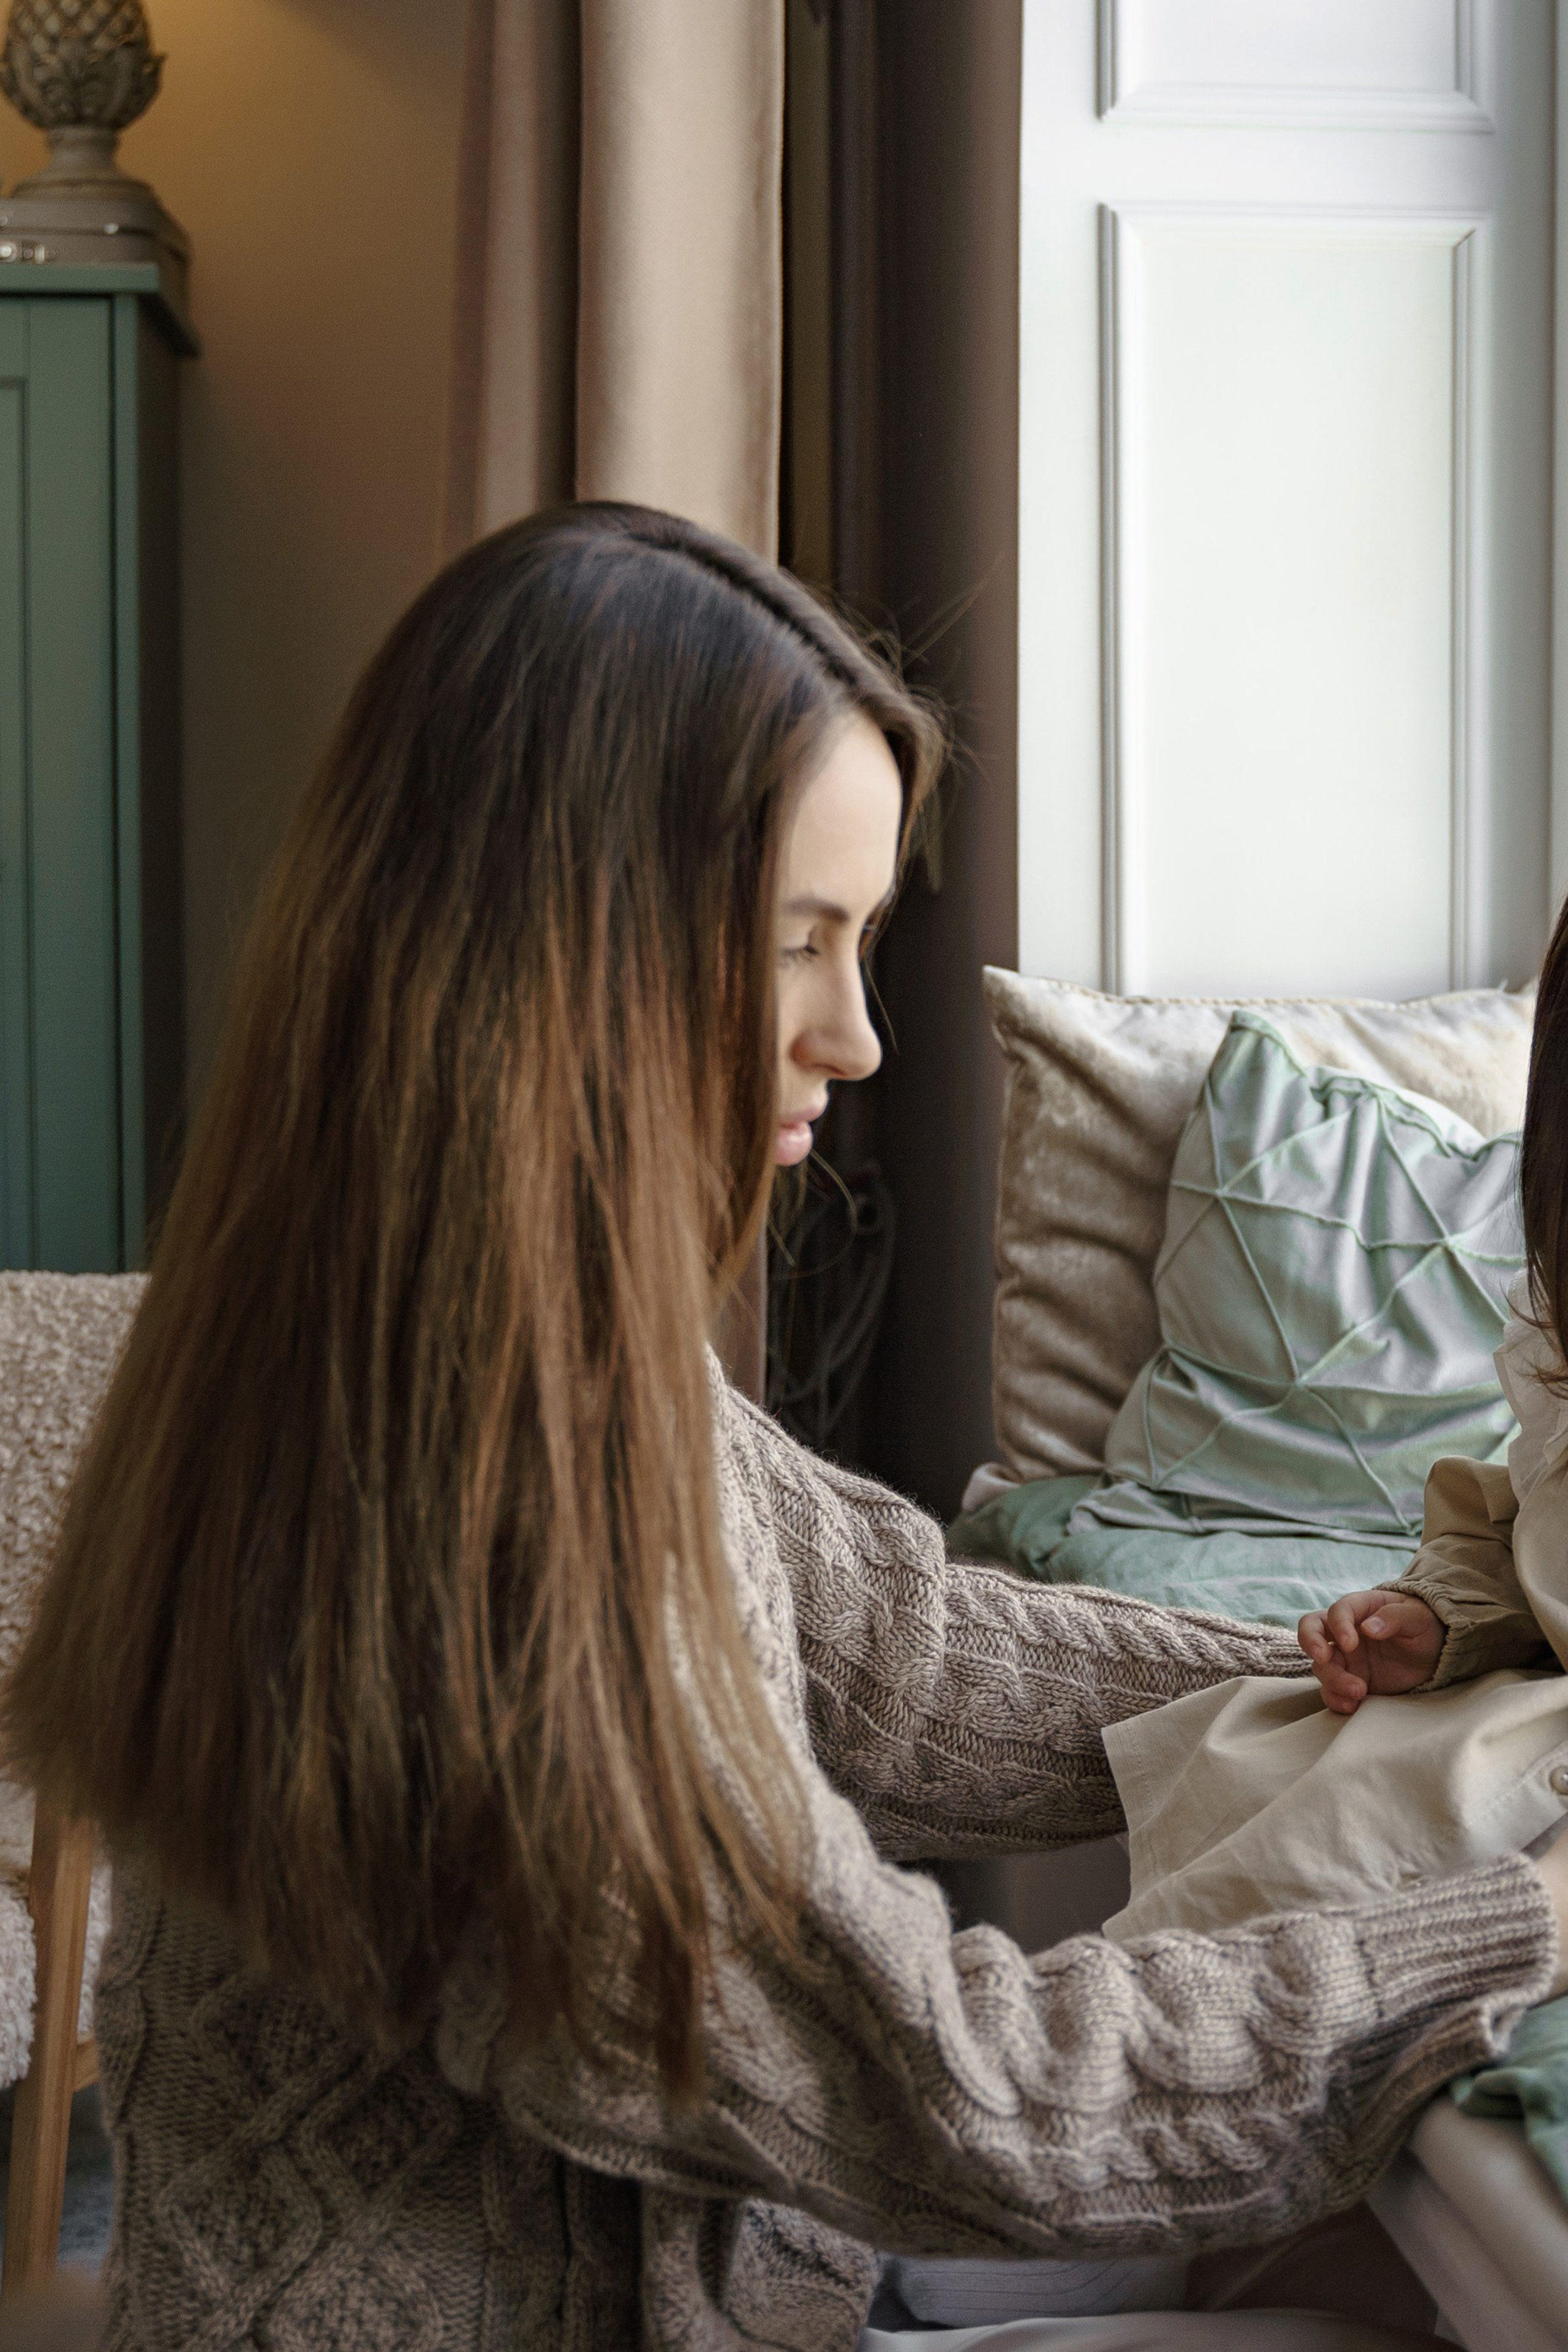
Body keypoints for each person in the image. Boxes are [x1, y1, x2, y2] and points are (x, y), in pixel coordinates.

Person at [4, 504, 1564, 2352]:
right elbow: (964, 2102)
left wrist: (1349, 1683)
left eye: (862, 941)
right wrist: (1514, 1919)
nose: (857, 1037)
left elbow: (895, 1655)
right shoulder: (476, 1512)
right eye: (796, 944)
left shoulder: (456, 1326)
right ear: (551, 960)